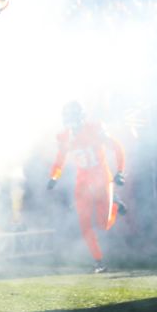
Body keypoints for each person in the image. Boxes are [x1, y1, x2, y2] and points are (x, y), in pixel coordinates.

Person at [47, 101, 127, 272]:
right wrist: (54, 177)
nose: (72, 122)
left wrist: (120, 171)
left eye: (74, 117)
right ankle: (99, 262)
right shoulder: (64, 137)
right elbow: (59, 161)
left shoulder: (95, 128)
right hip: (82, 181)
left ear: (82, 117)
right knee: (84, 224)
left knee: (103, 224)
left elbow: (116, 146)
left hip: (101, 177)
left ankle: (115, 204)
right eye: (69, 117)